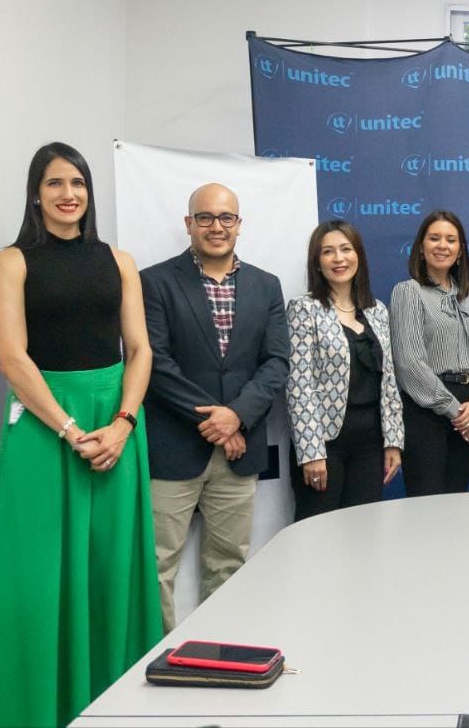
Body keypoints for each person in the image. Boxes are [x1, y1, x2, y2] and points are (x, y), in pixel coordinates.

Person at [0, 143, 163, 728]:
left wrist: (122, 424)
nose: (68, 194)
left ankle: (114, 711)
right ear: (35, 194)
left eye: (78, 183)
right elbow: (12, 357)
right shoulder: (13, 261)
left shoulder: (120, 261)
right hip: (45, 428)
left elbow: (139, 350)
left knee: (113, 572)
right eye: (54, 183)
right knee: (38, 579)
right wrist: (70, 430)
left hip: (117, 426)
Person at [141, 183, 288, 632]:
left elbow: (276, 362)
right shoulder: (155, 281)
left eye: (226, 217)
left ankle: (218, 652)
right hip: (173, 447)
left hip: (239, 450)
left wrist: (236, 416)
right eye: (205, 217)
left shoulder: (266, 285)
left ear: (239, 225)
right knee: (157, 566)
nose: (216, 226)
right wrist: (217, 421)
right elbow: (155, 362)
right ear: (189, 224)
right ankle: (160, 658)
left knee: (229, 564)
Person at [286, 221, 403, 519]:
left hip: (371, 444)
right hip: (325, 445)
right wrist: (312, 452)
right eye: (328, 252)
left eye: (346, 249)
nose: (338, 258)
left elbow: (389, 381)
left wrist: (393, 441)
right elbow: (299, 386)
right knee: (317, 533)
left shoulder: (377, 310)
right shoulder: (304, 309)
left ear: (358, 256)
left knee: (364, 532)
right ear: (317, 262)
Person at [390, 210, 469, 496]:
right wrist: (455, 411)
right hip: (427, 413)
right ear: (421, 247)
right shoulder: (408, 292)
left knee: (456, 501)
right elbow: (409, 363)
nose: (442, 245)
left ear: (460, 251)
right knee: (427, 506)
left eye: (451, 239)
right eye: (434, 238)